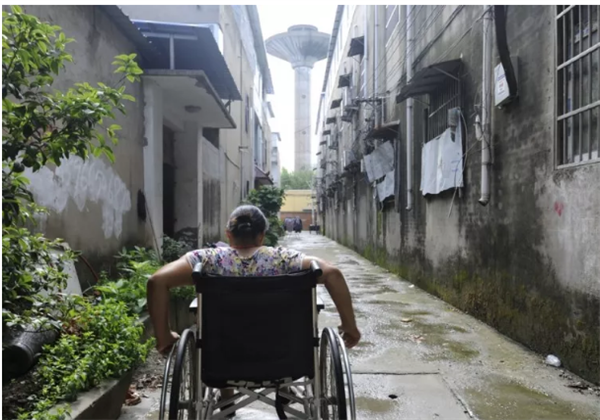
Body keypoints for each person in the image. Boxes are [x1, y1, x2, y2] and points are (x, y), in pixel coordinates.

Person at [147, 205, 360, 414]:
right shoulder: (285, 259)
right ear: (262, 235)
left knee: (218, 329)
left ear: (228, 234)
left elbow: (157, 281)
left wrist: (164, 337)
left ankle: (227, 395)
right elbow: (333, 274)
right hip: (286, 360)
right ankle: (283, 385)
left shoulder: (208, 260)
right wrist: (349, 326)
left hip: (223, 362)